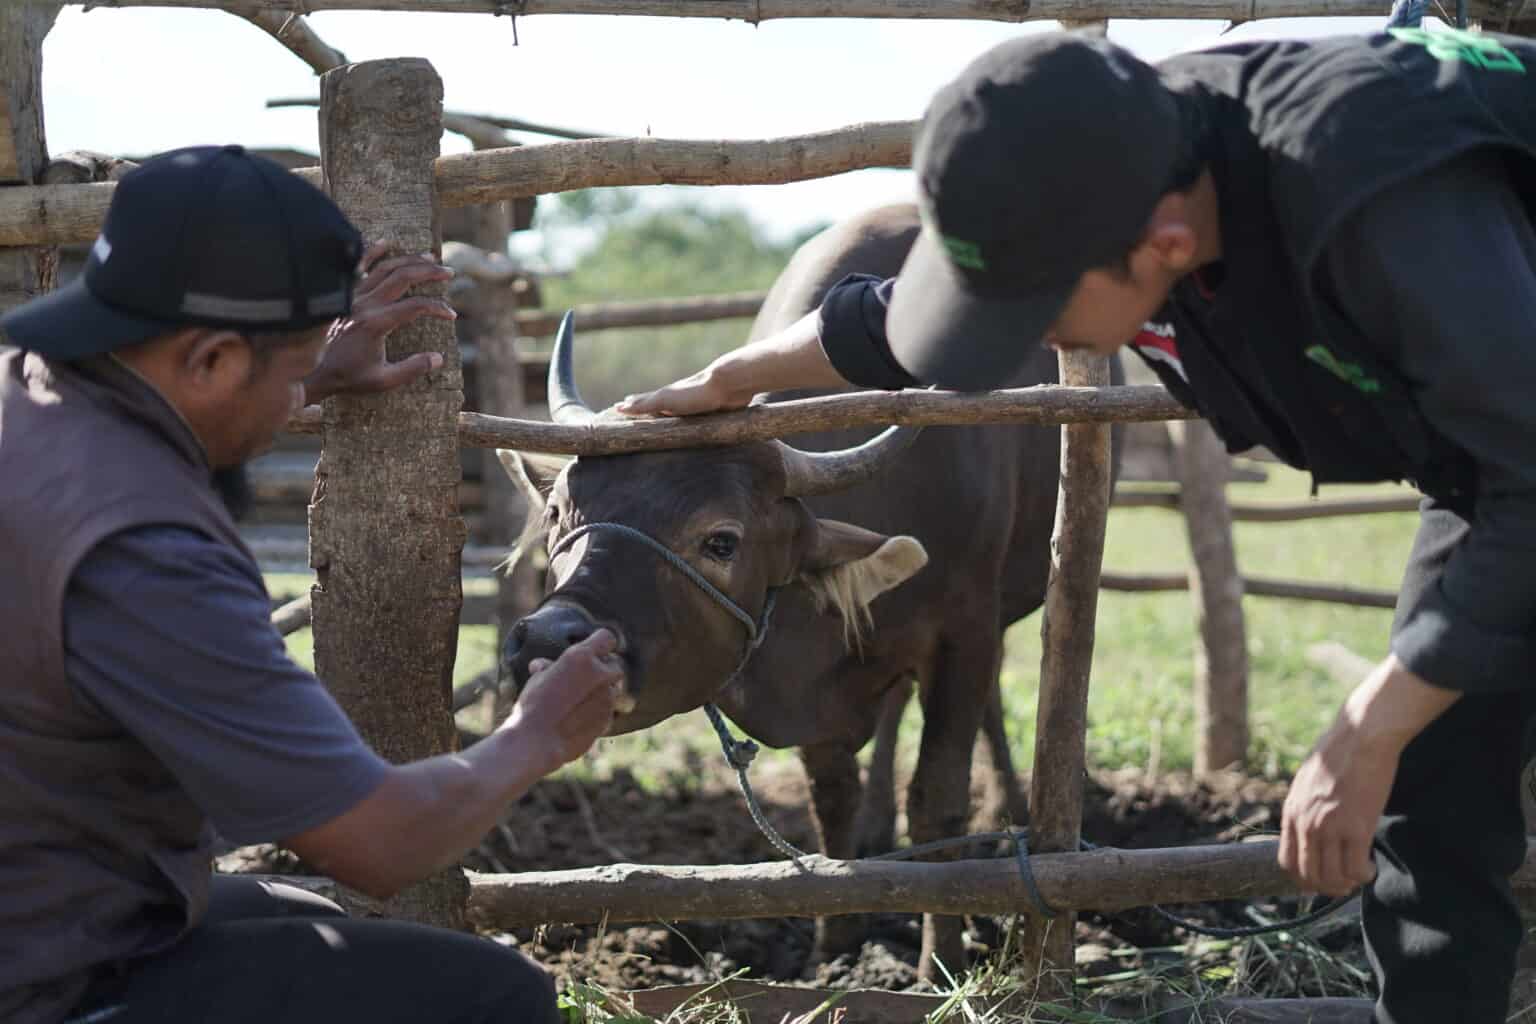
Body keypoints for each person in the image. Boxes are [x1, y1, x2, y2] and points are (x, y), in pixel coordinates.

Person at [620, 26, 1536, 1024]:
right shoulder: (1107, 164)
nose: (1023, 344)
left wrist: (1368, 725)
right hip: (1495, 458)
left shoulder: (1379, 199)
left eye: (1035, 318)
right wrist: (731, 379)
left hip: (1518, 455)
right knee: (1439, 783)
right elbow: (883, 323)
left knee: (1410, 734)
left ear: (1167, 250)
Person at [0, 145, 622, 1024]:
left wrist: (305, 371)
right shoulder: (143, 549)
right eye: (292, 371)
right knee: (491, 996)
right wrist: (534, 735)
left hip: (43, 883)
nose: (304, 393)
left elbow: (174, 408)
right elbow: (380, 840)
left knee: (294, 920)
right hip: (39, 977)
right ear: (210, 361)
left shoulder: (34, 396)